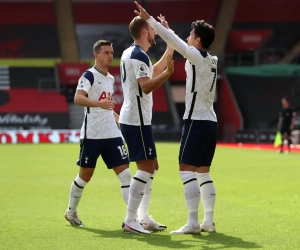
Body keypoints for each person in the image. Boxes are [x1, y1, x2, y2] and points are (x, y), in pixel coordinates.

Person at [134, 1, 218, 234]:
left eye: (192, 34)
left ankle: (192, 223)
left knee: (185, 169)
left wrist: (150, 20)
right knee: (204, 172)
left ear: (198, 40)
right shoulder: (212, 59)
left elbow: (180, 46)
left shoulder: (197, 57)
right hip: (211, 121)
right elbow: (179, 43)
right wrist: (168, 31)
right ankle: (208, 221)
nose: (189, 37)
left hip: (196, 121)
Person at [65, 40, 132, 226]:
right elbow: (78, 98)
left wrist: (120, 120)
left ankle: (132, 219)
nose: (110, 56)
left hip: (112, 134)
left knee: (126, 175)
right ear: (96, 55)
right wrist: (98, 104)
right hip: (92, 135)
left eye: (111, 52)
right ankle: (71, 212)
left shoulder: (110, 78)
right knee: (85, 176)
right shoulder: (89, 76)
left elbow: (107, 107)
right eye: (106, 52)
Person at [119, 15, 174, 233]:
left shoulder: (131, 53)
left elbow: (155, 69)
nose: (154, 34)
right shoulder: (138, 56)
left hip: (137, 119)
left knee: (153, 166)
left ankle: (142, 216)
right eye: (153, 30)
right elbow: (147, 86)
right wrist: (169, 74)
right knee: (145, 168)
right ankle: (131, 219)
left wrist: (170, 42)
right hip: (136, 120)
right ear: (144, 32)